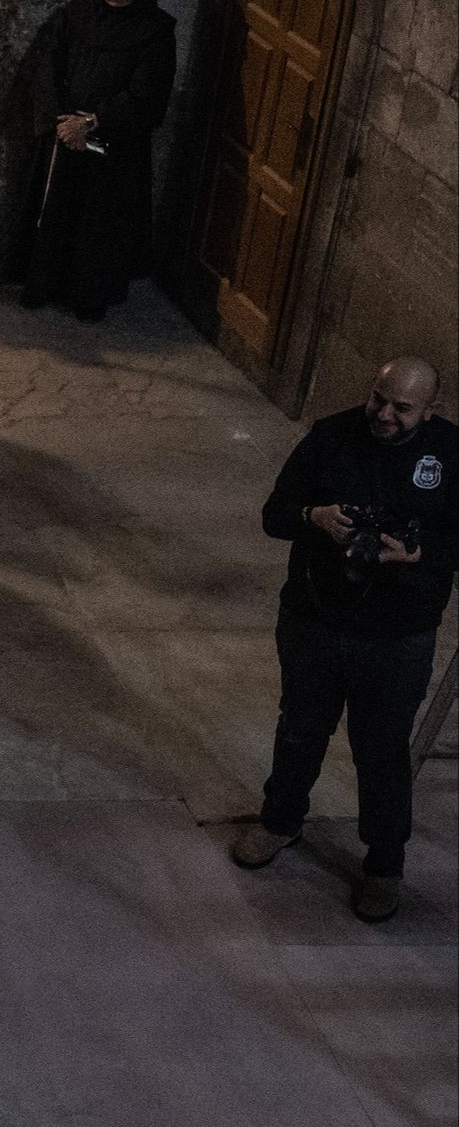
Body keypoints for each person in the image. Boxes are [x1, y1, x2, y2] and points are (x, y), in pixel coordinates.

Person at [233, 359, 458, 924]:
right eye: (378, 398)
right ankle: (280, 821)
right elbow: (273, 515)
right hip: (315, 617)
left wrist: (419, 552)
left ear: (430, 408)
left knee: (381, 752)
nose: (384, 414)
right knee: (300, 728)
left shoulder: (451, 454)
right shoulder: (332, 435)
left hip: (396, 635)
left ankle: (384, 865)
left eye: (401, 408)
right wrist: (314, 515)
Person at [8, 0, 177, 321]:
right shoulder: (75, 15)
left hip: (114, 147)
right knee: (54, 214)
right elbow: (48, 67)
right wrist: (62, 122)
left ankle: (89, 297)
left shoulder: (157, 30)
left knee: (100, 228)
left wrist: (93, 122)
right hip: (64, 136)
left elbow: (148, 93)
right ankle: (42, 284)